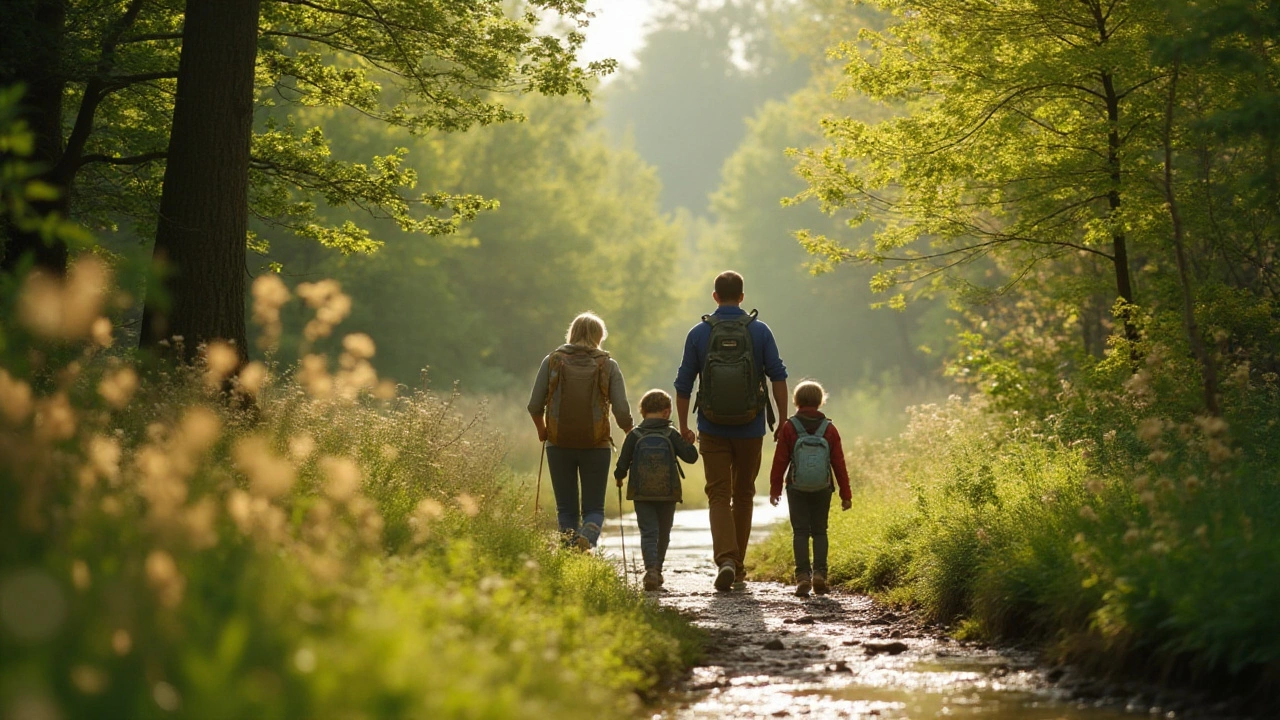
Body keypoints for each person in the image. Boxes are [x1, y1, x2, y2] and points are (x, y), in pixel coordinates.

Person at [674, 270, 788, 591]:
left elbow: (683, 384)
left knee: (718, 494)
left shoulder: (699, 333)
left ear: (714, 297)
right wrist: (782, 419)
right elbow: (778, 375)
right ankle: (737, 566)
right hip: (751, 427)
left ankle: (725, 558)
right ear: (742, 296)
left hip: (711, 427)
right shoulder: (760, 331)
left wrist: (684, 426)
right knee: (744, 494)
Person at [529, 312, 633, 550]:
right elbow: (622, 412)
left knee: (565, 508)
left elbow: (535, 405)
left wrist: (542, 430)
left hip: (558, 444)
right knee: (594, 508)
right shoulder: (608, 364)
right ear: (599, 336)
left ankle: (568, 553)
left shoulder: (552, 361)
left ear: (572, 333)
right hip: (597, 445)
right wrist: (630, 434)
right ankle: (587, 535)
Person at [769, 380, 853, 597]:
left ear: (796, 401)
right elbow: (839, 463)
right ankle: (820, 575)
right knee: (819, 531)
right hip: (822, 488)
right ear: (820, 401)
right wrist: (846, 494)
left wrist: (775, 489)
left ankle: (803, 577)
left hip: (796, 487)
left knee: (800, 532)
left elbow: (780, 461)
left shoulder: (789, 427)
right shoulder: (829, 429)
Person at [614, 389, 699, 591]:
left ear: (642, 412)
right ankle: (657, 570)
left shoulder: (634, 434)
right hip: (667, 492)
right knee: (663, 532)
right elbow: (691, 457)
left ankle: (650, 569)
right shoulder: (671, 434)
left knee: (648, 532)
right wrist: (691, 442)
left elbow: (622, 464)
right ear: (667, 412)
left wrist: (619, 478)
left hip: (641, 494)